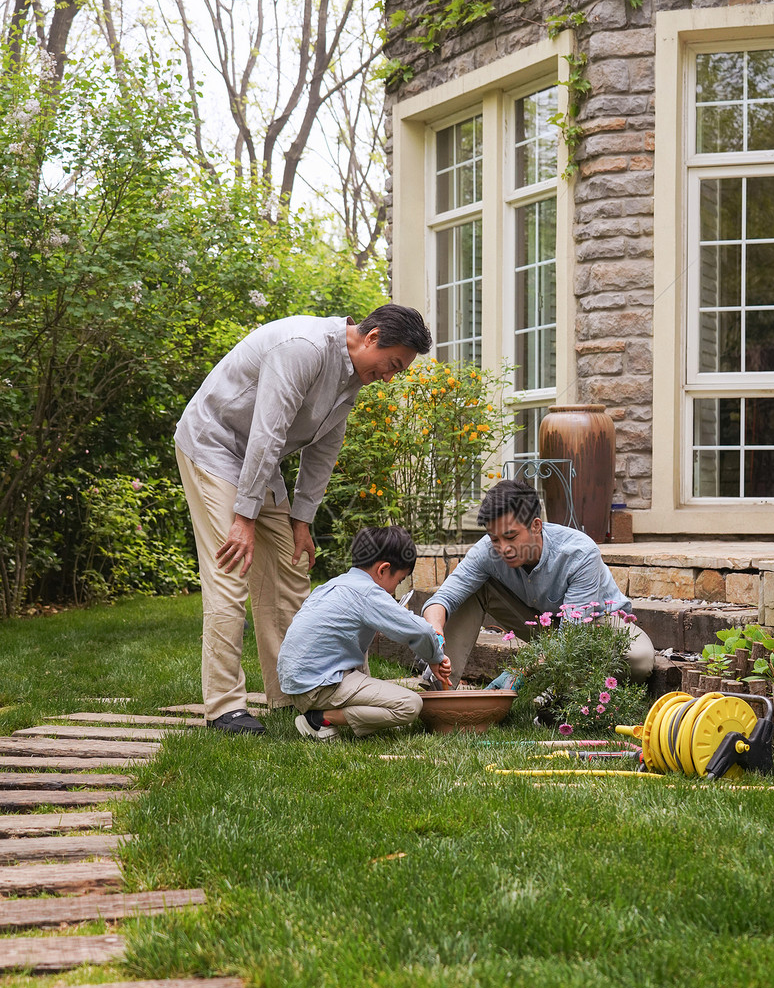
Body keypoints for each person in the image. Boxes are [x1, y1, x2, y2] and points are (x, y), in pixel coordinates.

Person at [175, 304, 432, 734]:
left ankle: (292, 691)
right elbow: (267, 431)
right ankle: (224, 707)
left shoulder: (353, 378)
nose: (390, 377)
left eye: (398, 371)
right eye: (392, 365)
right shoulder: (303, 348)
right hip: (215, 446)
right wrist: (244, 516)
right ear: (372, 338)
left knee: (292, 568)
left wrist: (300, 521)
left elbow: (322, 451)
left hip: (259, 461)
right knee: (231, 573)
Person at [422, 479, 655, 687]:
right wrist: (435, 633)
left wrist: (520, 671)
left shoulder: (579, 553)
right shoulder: (487, 550)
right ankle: (440, 687)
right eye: (495, 539)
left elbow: (571, 638)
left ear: (536, 525)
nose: (503, 548)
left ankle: (574, 689)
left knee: (640, 659)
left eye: (511, 537)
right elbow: (442, 599)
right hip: (542, 624)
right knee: (469, 590)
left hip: (594, 624)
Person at [277, 525, 451, 739]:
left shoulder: (335, 585)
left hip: (300, 682)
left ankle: (358, 715)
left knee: (386, 705)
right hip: (319, 686)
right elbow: (422, 631)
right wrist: (435, 657)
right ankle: (319, 719)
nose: (394, 590)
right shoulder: (368, 593)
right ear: (383, 569)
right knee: (410, 705)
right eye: (398, 581)